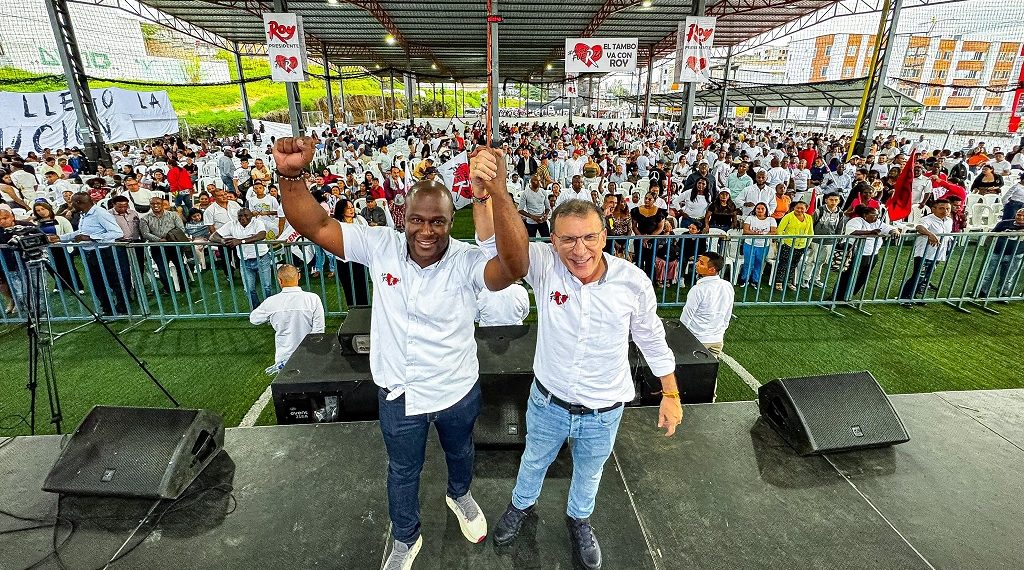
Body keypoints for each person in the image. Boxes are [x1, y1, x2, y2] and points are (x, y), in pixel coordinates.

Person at [275, 136, 529, 570]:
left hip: (455, 389)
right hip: (399, 392)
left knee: (461, 452)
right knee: (402, 472)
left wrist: (499, 192)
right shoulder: (381, 246)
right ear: (402, 218)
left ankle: (460, 494)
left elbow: (515, 267)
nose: (426, 231)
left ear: (453, 222)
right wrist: (290, 176)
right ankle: (405, 538)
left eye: (438, 222)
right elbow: (316, 226)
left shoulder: (467, 262)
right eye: (416, 220)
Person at [471, 160, 681, 569]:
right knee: (533, 460)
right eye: (568, 240)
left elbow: (652, 339)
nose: (579, 250)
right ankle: (520, 506)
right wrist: (483, 195)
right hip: (549, 402)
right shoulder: (545, 265)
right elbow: (491, 247)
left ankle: (580, 520)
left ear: (605, 235)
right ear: (552, 241)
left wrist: (670, 392)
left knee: (590, 472)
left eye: (589, 237)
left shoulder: (633, 282)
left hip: (604, 411)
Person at [53, 193, 128, 315]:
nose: (70, 205)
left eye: (72, 202)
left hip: (104, 253)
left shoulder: (100, 213)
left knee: (113, 282)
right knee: (97, 283)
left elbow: (117, 233)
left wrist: (91, 237)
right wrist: (60, 238)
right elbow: (81, 232)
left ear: (79, 203)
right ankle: (107, 309)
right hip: (90, 254)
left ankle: (122, 308)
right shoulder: (84, 215)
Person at [249, 264, 326, 374]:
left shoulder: (271, 302)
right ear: (298, 276)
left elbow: (254, 319)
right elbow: (319, 330)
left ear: (279, 280)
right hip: (310, 354)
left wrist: (270, 315)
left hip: (284, 357)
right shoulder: (313, 298)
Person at [832, 205, 900, 302]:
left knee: (862, 277)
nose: (877, 217)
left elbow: (889, 228)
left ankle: (848, 297)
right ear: (865, 215)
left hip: (872, 254)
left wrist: (894, 231)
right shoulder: (856, 220)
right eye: (874, 215)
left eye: (878, 215)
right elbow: (852, 232)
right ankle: (836, 297)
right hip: (857, 253)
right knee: (848, 275)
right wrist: (870, 232)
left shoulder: (877, 222)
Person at [210, 208, 273, 310]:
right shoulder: (232, 224)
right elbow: (213, 237)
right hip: (244, 261)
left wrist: (241, 241)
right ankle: (257, 310)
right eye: (240, 216)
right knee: (249, 289)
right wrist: (222, 240)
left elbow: (261, 235)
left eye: (245, 215)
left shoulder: (258, 223)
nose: (242, 218)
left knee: (267, 287)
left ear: (251, 216)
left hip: (261, 258)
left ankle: (270, 310)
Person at [680, 252, 734, 365]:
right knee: (710, 376)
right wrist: (720, 332)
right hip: (717, 339)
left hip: (698, 339)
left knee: (692, 374)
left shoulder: (698, 290)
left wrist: (680, 336)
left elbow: (686, 317)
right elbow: (728, 314)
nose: (696, 264)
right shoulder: (727, 286)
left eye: (701, 263)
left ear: (712, 270)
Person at [899, 199, 953, 306]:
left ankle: (913, 296)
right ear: (933, 209)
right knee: (918, 275)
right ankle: (904, 297)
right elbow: (919, 227)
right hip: (924, 253)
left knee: (926, 277)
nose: (945, 211)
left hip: (938, 253)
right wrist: (930, 234)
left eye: (947, 209)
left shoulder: (949, 221)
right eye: (941, 208)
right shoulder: (927, 219)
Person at [140, 196, 190, 296]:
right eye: (153, 204)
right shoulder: (145, 218)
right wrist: (159, 239)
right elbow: (145, 233)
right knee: (162, 269)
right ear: (150, 205)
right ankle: (168, 288)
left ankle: (185, 286)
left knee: (181, 266)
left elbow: (181, 228)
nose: (155, 205)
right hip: (157, 246)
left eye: (158, 203)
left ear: (163, 204)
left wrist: (171, 237)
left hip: (174, 245)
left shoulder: (173, 215)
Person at [31, 201, 84, 293]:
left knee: (68, 266)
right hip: (47, 249)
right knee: (52, 268)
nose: (41, 212)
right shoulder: (36, 223)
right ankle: (60, 284)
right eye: (38, 210)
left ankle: (78, 286)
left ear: (48, 209)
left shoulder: (60, 219)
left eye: (43, 209)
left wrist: (65, 241)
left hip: (62, 247)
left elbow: (69, 232)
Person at [975, 208, 1024, 299]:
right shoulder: (1004, 223)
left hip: (1016, 255)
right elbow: (991, 235)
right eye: (1019, 215)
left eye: (1023, 216)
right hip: (996, 252)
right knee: (988, 274)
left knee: (1008, 277)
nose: (1020, 217)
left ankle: (1003, 294)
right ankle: (981, 291)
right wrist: (987, 247)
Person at [802, 192, 845, 289]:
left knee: (821, 261)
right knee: (812, 260)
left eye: (836, 200)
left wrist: (838, 240)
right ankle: (806, 279)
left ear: (839, 201)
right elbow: (811, 224)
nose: (833, 202)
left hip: (830, 241)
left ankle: (815, 279)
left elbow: (840, 228)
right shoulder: (819, 210)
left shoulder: (841, 213)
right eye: (831, 200)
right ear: (826, 200)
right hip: (816, 240)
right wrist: (809, 238)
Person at [774, 201, 814, 291]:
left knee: (793, 264)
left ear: (806, 209)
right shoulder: (788, 217)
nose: (799, 210)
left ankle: (788, 281)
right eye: (797, 208)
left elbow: (811, 232)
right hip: (788, 244)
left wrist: (807, 244)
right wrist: (783, 242)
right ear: (794, 208)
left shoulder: (809, 218)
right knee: (783, 263)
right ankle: (778, 282)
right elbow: (780, 230)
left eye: (802, 208)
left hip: (801, 245)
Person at [738, 203, 776, 287]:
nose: (760, 210)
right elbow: (745, 231)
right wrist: (755, 233)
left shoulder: (771, 220)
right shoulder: (750, 218)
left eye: (762, 209)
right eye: (758, 208)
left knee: (759, 263)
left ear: (766, 210)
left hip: (763, 245)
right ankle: (744, 278)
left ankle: (755, 280)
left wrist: (764, 235)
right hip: (749, 244)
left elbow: (774, 232)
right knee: (748, 262)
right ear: (755, 209)